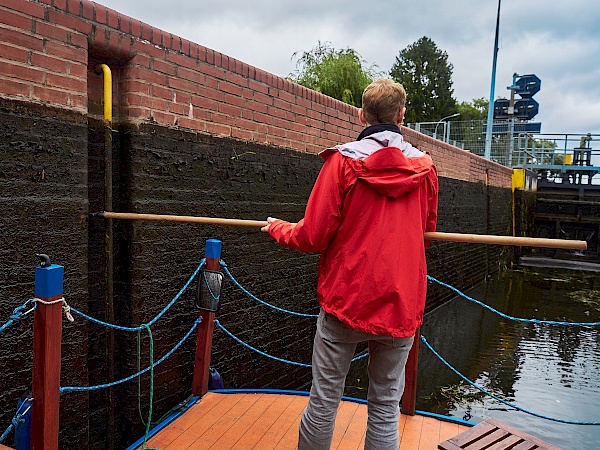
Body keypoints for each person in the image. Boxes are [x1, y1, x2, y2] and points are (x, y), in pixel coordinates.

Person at [261, 78, 438, 450]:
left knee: (325, 401)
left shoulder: (342, 162)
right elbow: (427, 228)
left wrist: (278, 229)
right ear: (402, 116)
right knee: (386, 407)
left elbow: (312, 235)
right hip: (400, 303)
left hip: (347, 299)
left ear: (361, 113)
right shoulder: (425, 169)